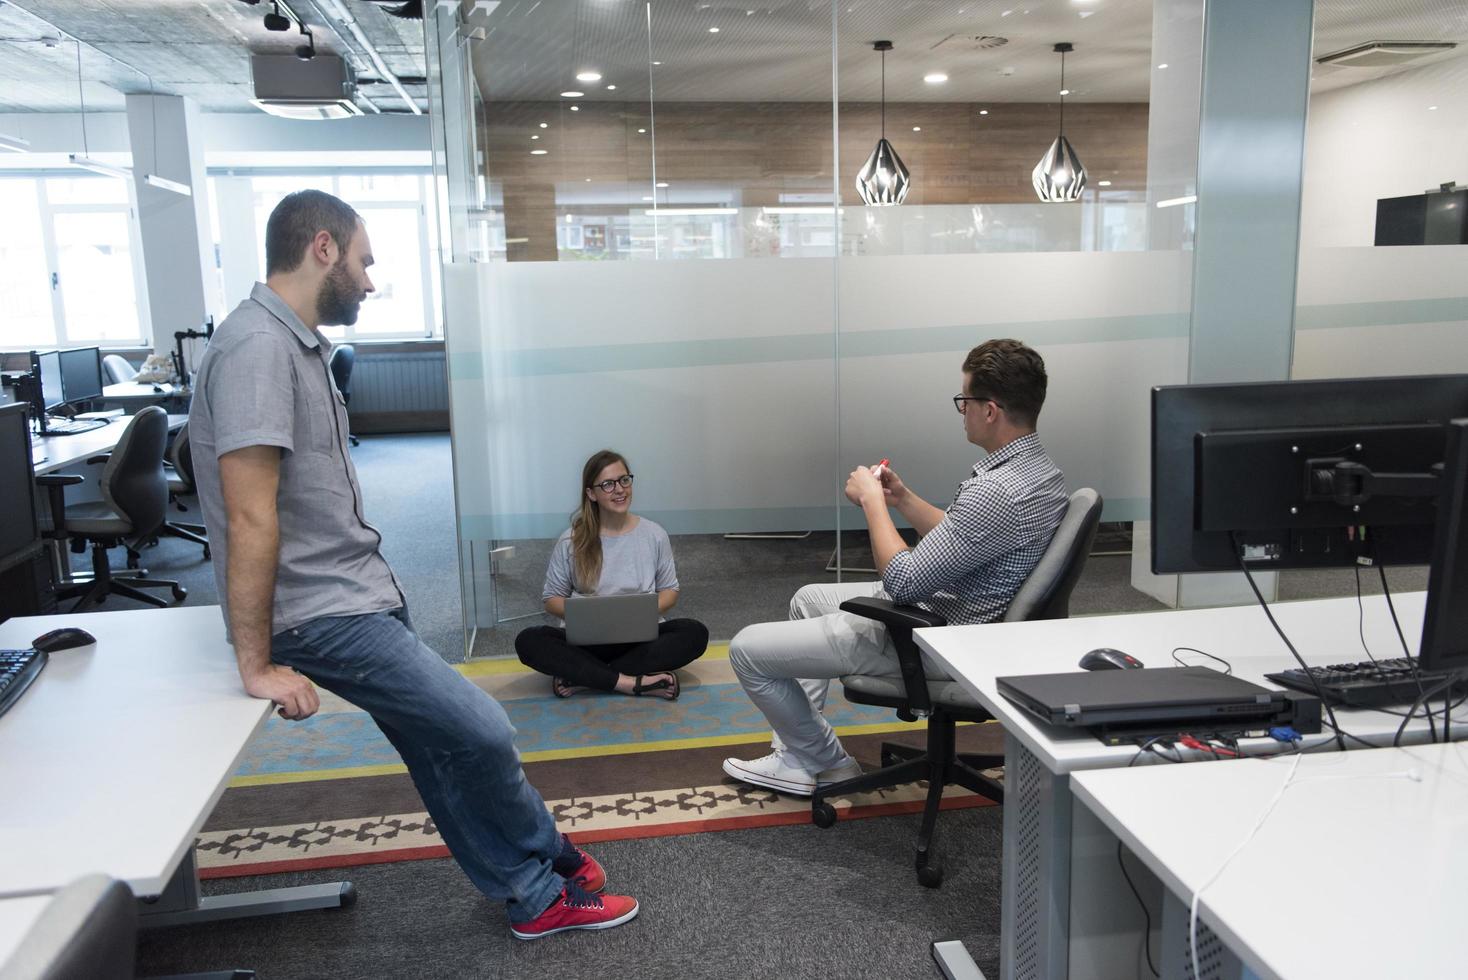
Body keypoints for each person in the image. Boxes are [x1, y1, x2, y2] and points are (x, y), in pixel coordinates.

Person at [188, 189, 637, 939]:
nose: (370, 280)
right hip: (321, 613)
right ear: (322, 248)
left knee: (443, 749)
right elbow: (248, 515)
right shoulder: (258, 350)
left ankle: (536, 878)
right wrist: (256, 663)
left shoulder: (290, 344)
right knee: (481, 730)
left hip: (352, 592)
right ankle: (540, 870)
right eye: (364, 261)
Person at [722, 338, 1068, 796]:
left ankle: (824, 759)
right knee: (808, 598)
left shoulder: (996, 491)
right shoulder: (1039, 473)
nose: (960, 410)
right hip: (962, 613)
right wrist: (901, 499)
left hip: (935, 636)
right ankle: (798, 756)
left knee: (746, 650)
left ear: (990, 410)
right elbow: (965, 536)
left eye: (964, 400)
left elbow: (902, 581)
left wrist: (871, 504)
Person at [515, 450, 709, 699]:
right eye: (608, 484)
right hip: (586, 643)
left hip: (640, 640)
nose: (619, 489)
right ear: (591, 494)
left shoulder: (654, 534)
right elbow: (551, 599)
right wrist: (590, 616)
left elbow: (670, 590)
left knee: (694, 633)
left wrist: (640, 614)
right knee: (529, 641)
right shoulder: (571, 540)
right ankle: (631, 681)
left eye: (624, 480)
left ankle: (586, 677)